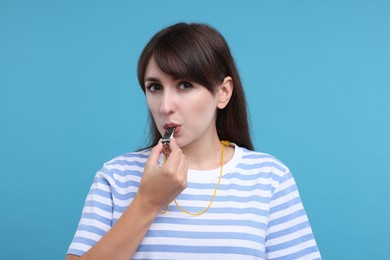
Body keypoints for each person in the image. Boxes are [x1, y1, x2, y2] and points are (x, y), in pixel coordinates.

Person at [66, 22, 321, 260]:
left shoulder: (269, 178)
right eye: (155, 87)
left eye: (185, 85)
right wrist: (148, 201)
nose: (166, 106)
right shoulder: (116, 177)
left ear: (223, 92)